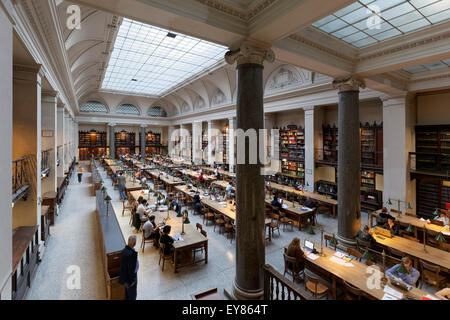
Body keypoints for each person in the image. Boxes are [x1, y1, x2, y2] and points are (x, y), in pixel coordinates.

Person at [119, 235, 138, 300]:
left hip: (125, 277)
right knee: (132, 296)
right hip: (131, 279)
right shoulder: (131, 254)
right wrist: (132, 281)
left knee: (127, 294)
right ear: (134, 244)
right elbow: (131, 269)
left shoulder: (125, 250)